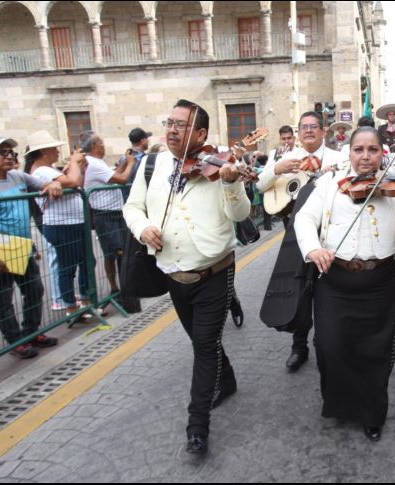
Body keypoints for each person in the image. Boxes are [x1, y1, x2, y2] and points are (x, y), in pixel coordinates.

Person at [294, 126, 395, 441]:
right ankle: (340, 403)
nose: (365, 156)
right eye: (359, 149)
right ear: (349, 152)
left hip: (380, 283)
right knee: (330, 346)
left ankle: (371, 413)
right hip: (334, 282)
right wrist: (313, 249)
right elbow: (304, 219)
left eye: (372, 150)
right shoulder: (329, 185)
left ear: (381, 153)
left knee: (375, 352)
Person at [123, 99, 250, 455]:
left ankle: (197, 426)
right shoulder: (152, 163)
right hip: (173, 274)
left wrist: (230, 183)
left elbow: (240, 213)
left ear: (202, 134)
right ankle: (227, 380)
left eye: (183, 125)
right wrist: (144, 227)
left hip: (215, 272)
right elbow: (132, 207)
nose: (173, 130)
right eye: (171, 123)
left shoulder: (220, 164)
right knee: (201, 339)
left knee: (203, 345)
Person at [256, 111, 345, 372]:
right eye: (303, 127)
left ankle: (325, 343)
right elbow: (261, 186)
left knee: (328, 290)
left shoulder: (339, 159)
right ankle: (299, 346)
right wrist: (275, 169)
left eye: (313, 127)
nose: (308, 131)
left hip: (329, 236)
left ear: (323, 131)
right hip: (294, 238)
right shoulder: (288, 158)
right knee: (298, 289)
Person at [0, 134, 63, 358]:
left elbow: (43, 183)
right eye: (2, 152)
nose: (9, 156)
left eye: (11, 152)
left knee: (34, 290)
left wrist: (53, 184)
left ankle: (31, 332)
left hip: (22, 250)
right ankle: (15, 341)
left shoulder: (17, 177)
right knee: (3, 300)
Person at [24, 131, 93, 322]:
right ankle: (71, 307)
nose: (56, 151)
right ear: (44, 151)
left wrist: (80, 168)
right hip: (62, 224)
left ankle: (85, 301)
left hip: (73, 221)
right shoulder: (41, 172)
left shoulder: (49, 170)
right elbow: (72, 182)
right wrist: (73, 162)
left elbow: (76, 184)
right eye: (54, 148)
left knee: (86, 261)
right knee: (68, 266)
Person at [81, 131, 139, 313]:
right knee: (117, 252)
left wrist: (123, 163)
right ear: (94, 147)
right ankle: (122, 291)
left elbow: (113, 174)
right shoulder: (93, 164)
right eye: (101, 143)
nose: (104, 146)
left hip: (113, 213)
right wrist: (130, 164)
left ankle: (120, 289)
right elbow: (121, 179)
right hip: (105, 215)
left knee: (115, 253)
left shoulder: (97, 163)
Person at [117, 127, 151, 201]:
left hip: (125, 197)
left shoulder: (123, 157)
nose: (148, 142)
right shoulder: (144, 159)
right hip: (138, 197)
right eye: (147, 139)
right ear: (142, 141)